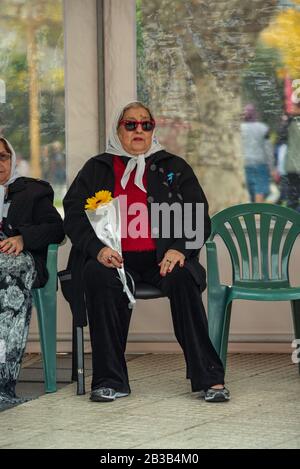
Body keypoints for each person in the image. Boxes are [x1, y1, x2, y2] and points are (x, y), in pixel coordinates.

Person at [63, 101, 230, 403]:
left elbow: (198, 216)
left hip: (162, 258)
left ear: (153, 130)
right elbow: (73, 214)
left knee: (183, 279)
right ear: (119, 129)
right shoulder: (98, 167)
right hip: (113, 258)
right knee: (96, 275)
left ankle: (209, 378)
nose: (139, 130)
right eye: (131, 124)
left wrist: (180, 249)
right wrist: (97, 249)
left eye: (146, 124)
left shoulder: (174, 166)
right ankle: (110, 379)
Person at [0, 137, 64, 409]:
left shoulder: (31, 191)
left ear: (11, 159)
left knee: (9, 275)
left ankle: (2, 381)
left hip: (17, 261)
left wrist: (23, 238)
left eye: (2, 156)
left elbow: (56, 229)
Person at [241, 104, 274, 202]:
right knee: (259, 189)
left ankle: (251, 213)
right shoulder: (263, 128)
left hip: (245, 163)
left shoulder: (239, 128)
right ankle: (258, 214)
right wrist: (272, 167)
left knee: (249, 190)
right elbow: (268, 149)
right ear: (255, 114)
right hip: (260, 162)